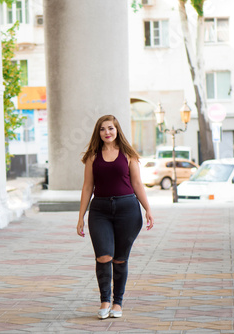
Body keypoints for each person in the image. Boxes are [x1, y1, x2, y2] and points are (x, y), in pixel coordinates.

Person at [77, 114, 154, 319]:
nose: (107, 132)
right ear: (98, 132)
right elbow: (87, 187)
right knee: (103, 256)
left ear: (117, 130)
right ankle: (104, 300)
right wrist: (80, 217)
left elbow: (137, 184)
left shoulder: (128, 154)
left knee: (120, 259)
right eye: (102, 129)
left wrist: (147, 208)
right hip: (100, 211)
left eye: (110, 128)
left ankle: (117, 302)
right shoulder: (92, 157)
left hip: (127, 210)